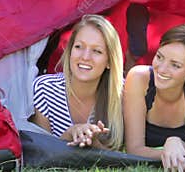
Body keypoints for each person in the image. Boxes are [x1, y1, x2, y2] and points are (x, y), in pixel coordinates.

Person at [123, 23, 185, 171]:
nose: (162, 69)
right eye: (160, 57)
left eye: (175, 65)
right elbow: (134, 149)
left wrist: (175, 142)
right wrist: (170, 150)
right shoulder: (138, 78)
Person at [29, 14, 124, 150]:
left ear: (109, 61)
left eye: (97, 51)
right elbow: (41, 154)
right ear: (70, 51)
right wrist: (68, 135)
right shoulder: (44, 89)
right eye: (79, 47)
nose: (85, 57)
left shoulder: (123, 93)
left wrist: (95, 145)